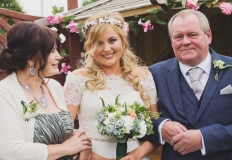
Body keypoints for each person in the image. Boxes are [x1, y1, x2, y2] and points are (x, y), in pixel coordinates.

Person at [126, 9, 232, 160]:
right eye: (178, 36)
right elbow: (134, 119)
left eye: (192, 34)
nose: (185, 41)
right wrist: (161, 127)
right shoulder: (153, 74)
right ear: (171, 41)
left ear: (208, 35)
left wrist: (204, 138)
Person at [63, 11, 159, 160]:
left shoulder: (143, 76)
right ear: (89, 47)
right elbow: (65, 130)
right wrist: (92, 155)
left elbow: (155, 129)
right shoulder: (78, 79)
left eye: (112, 40)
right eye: (99, 43)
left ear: (123, 41)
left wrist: (136, 155)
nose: (107, 48)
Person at [0, 22, 92, 160]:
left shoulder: (54, 86)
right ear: (31, 59)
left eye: (57, 50)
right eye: (51, 51)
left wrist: (81, 140)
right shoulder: (2, 92)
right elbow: (12, 151)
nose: (58, 56)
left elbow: (56, 132)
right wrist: (66, 148)